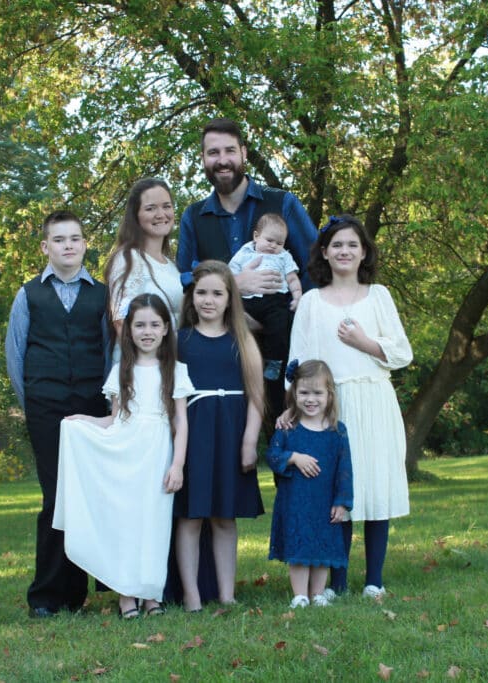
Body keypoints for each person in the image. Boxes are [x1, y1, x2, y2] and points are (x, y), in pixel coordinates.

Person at [286, 214, 413, 600]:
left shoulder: (379, 296)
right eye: (337, 245)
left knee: (375, 485)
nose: (344, 251)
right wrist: (294, 408)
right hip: (330, 408)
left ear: (363, 253)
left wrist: (364, 342)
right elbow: (298, 361)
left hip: (374, 401)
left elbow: (402, 354)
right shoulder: (311, 301)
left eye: (352, 245)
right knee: (336, 489)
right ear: (324, 252)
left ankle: (374, 578)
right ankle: (335, 581)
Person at [53, 294, 193, 619]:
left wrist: (178, 464)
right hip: (125, 452)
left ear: (165, 328)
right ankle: (126, 595)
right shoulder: (122, 370)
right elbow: (114, 420)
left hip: (158, 454)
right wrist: (82, 422)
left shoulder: (175, 370)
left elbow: (180, 421)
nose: (147, 331)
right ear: (128, 330)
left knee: (154, 524)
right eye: (139, 325)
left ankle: (151, 594)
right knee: (127, 523)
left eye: (154, 325)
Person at [175, 117, 318, 416]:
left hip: (286, 350)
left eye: (229, 151)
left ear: (244, 153)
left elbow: (315, 269)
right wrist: (233, 284)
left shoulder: (283, 204)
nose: (222, 160)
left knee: (294, 439)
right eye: (213, 153)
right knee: (230, 447)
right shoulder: (193, 217)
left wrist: (288, 314)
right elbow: (184, 280)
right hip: (222, 351)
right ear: (203, 158)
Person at [4, 210, 108, 617]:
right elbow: (16, 355)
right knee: (54, 497)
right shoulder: (28, 294)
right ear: (46, 247)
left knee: (83, 497)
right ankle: (46, 596)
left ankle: (76, 594)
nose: (68, 245)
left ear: (85, 245)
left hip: (89, 407)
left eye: (75, 238)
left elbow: (108, 352)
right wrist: (32, 402)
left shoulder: (101, 295)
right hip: (45, 408)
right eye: (59, 239)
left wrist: (106, 405)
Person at [173, 260, 265, 611]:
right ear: (190, 297)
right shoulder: (180, 341)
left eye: (217, 293)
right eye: (201, 293)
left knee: (224, 517)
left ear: (230, 299)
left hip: (232, 432)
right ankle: (193, 596)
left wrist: (248, 442)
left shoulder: (242, 341)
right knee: (191, 516)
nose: (208, 300)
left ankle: (227, 594)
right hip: (194, 434)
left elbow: (256, 395)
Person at [266, 360, 353, 609]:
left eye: (317, 393)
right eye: (304, 393)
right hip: (296, 502)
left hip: (325, 501)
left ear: (329, 395)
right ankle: (300, 595)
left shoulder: (337, 432)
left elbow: (345, 470)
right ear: (294, 394)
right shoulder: (288, 429)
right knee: (301, 548)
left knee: (322, 549)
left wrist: (342, 501)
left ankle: (317, 593)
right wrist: (293, 457)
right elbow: (272, 456)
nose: (310, 399)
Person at [105, 178, 184, 341]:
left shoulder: (171, 265)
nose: (161, 214)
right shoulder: (128, 259)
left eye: (166, 206)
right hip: (141, 363)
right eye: (150, 208)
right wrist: (147, 363)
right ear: (136, 216)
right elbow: (121, 321)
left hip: (171, 361)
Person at [228, 212, 303, 381]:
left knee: (279, 327)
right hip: (248, 300)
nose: (273, 246)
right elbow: (229, 274)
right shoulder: (244, 252)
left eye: (279, 243)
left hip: (275, 301)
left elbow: (292, 278)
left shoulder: (284, 256)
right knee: (235, 323)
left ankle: (274, 361)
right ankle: (236, 360)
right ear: (256, 236)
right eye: (269, 240)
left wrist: (297, 296)